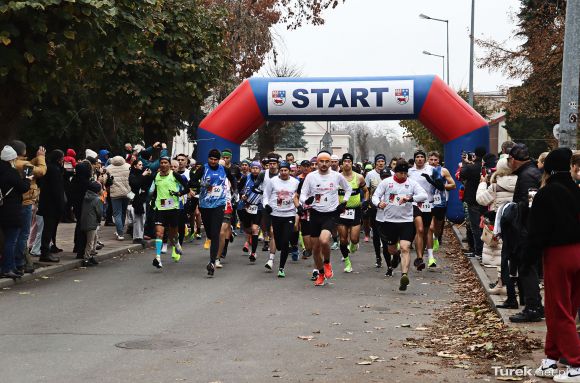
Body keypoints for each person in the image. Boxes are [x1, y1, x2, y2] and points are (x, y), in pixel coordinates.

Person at [529, 148, 580, 381]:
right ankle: (551, 359)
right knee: (566, 309)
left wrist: (525, 260)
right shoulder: (577, 191)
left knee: (558, 310)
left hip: (558, 255)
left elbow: (537, 233)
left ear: (547, 169)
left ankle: (575, 366)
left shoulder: (546, 194)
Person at [372, 159, 427, 289]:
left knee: (405, 247)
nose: (403, 175)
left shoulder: (412, 184)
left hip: (406, 222)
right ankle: (395, 257)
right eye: (400, 173)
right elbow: (375, 196)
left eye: (405, 173)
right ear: (395, 172)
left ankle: (404, 276)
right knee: (392, 249)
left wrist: (410, 198)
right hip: (389, 222)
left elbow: (423, 195)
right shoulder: (386, 183)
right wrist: (379, 203)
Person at [299, 151, 352, 286]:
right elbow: (302, 194)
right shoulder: (311, 176)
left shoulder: (336, 176)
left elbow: (348, 188)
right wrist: (307, 200)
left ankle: (327, 263)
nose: (323, 164)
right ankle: (321, 274)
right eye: (321, 161)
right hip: (315, 214)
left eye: (326, 161)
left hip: (331, 214)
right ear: (317, 163)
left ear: (330, 163)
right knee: (315, 249)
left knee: (324, 240)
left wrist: (344, 202)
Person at [506, 143, 544, 323]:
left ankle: (533, 307)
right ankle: (534, 305)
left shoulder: (527, 177)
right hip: (529, 229)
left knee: (526, 268)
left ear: (513, 160)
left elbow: (529, 206)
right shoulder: (531, 173)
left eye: (509, 159)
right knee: (528, 268)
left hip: (527, 231)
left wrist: (521, 228)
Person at [189, 149, 236, 276]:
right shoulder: (203, 169)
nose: (213, 161)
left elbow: (233, 179)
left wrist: (235, 191)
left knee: (215, 234)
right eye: (211, 159)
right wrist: (202, 185)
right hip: (204, 205)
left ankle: (211, 262)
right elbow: (192, 181)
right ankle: (212, 250)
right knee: (210, 233)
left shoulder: (223, 169)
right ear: (208, 159)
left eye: (216, 159)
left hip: (219, 205)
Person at [11, 140, 46, 274]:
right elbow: (41, 171)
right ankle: (20, 262)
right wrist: (41, 157)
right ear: (23, 151)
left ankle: (14, 260)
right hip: (25, 202)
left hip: (13, 202)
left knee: (14, 234)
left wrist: (36, 158)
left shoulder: (13, 163)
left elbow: (28, 165)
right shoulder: (23, 164)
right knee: (23, 234)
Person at [150, 156, 189, 269]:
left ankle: (176, 243)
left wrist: (178, 193)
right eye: (161, 162)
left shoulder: (175, 175)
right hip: (160, 208)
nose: (163, 164)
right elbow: (152, 191)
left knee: (173, 234)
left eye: (165, 162)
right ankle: (158, 257)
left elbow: (187, 188)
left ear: (169, 164)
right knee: (159, 233)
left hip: (173, 208)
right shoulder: (155, 176)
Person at [262, 161, 300, 277]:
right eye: (282, 170)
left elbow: (298, 197)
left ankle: (281, 268)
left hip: (289, 214)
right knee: (278, 243)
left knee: (285, 241)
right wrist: (266, 205)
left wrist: (299, 208)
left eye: (286, 170)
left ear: (289, 171)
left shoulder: (295, 182)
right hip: (276, 214)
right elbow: (266, 195)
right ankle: (280, 247)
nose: (283, 172)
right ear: (279, 170)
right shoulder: (273, 181)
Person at [0, 145, 32, 279]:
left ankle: (11, 266)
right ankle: (7, 268)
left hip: (3, 208)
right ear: (10, 159)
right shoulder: (10, 172)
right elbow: (23, 187)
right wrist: (27, 178)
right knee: (11, 240)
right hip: (11, 209)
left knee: (8, 239)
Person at [336, 153, 368, 273]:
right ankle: (348, 262)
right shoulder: (337, 177)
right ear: (342, 164)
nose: (347, 163)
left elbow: (366, 191)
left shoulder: (359, 177)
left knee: (354, 239)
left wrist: (365, 201)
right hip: (341, 211)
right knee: (343, 240)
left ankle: (354, 244)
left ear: (352, 163)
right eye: (345, 161)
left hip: (355, 210)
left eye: (349, 161)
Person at [408, 150, 437, 269]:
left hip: (429, 203)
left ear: (425, 159)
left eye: (421, 157)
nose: (419, 159)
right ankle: (419, 258)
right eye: (417, 157)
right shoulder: (410, 172)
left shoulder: (431, 170)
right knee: (419, 230)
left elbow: (439, 184)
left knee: (427, 231)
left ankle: (430, 256)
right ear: (414, 159)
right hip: (415, 203)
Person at [459, 146, 487, 260]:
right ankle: (482, 250)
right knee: (484, 225)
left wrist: (466, 163)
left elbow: (461, 176)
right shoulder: (484, 167)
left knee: (475, 226)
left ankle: (478, 251)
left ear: (475, 155)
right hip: (485, 199)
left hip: (473, 199)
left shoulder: (471, 167)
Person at [38, 149, 65, 263]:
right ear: (59, 159)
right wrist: (61, 206)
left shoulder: (49, 167)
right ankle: (45, 252)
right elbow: (57, 190)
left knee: (49, 228)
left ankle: (49, 248)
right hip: (52, 205)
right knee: (48, 229)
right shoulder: (54, 170)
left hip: (46, 202)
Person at [426, 151, 456, 258]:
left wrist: (442, 186)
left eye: (435, 160)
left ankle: (436, 237)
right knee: (430, 225)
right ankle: (429, 242)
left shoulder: (443, 170)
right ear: (428, 160)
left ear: (438, 160)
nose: (433, 162)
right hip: (427, 201)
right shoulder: (424, 170)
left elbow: (453, 185)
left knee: (437, 226)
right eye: (431, 159)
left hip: (440, 201)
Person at [237, 161, 263, 262]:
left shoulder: (263, 180)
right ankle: (250, 237)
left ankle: (253, 253)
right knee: (247, 229)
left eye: (257, 168)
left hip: (258, 207)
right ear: (250, 169)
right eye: (253, 168)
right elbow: (238, 189)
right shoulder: (245, 178)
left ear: (260, 170)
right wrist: (241, 195)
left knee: (255, 228)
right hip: (246, 206)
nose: (255, 170)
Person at [106, 155, 131, 240]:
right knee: (123, 212)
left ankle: (120, 233)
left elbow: (106, 180)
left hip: (115, 193)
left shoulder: (108, 168)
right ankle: (121, 230)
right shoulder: (128, 166)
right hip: (126, 193)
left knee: (117, 214)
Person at [129, 160, 152, 246]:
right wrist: (143, 175)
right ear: (135, 166)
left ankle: (140, 236)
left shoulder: (142, 174)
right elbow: (136, 183)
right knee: (137, 219)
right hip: (136, 200)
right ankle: (136, 237)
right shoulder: (132, 175)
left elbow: (146, 184)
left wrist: (149, 176)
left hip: (143, 199)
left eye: (142, 164)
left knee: (142, 218)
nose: (141, 166)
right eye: (139, 164)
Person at [80, 181, 103, 267]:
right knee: (90, 241)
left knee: (95, 238)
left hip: (85, 221)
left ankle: (91, 254)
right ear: (97, 190)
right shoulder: (97, 199)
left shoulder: (86, 197)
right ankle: (86, 258)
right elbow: (99, 212)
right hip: (92, 222)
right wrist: (99, 221)